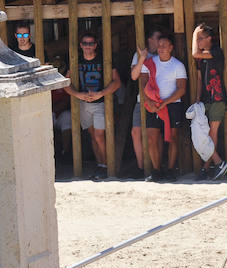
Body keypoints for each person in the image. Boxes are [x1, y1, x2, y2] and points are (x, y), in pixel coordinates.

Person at [63, 32, 122, 181]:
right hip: (83, 104)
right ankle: (100, 164)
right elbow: (65, 82)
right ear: (81, 45)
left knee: (99, 136)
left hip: (100, 103)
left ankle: (107, 166)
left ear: (95, 45)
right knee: (93, 137)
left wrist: (101, 93)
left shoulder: (105, 60)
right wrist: (77, 95)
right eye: (85, 43)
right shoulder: (75, 60)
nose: (88, 47)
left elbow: (117, 82)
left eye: (91, 43)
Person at [139, 34, 187, 181]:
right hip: (153, 105)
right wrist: (149, 101)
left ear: (171, 48)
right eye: (159, 46)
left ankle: (171, 170)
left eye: (164, 46)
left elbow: (181, 89)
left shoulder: (178, 65)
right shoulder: (149, 63)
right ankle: (156, 170)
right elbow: (142, 84)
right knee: (152, 138)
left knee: (172, 138)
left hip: (172, 105)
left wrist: (165, 102)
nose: (161, 48)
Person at [191, 23, 227, 180]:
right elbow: (200, 79)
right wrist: (197, 100)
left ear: (209, 39)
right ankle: (214, 164)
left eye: (201, 38)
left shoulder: (216, 52)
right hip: (205, 100)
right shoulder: (201, 58)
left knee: (211, 133)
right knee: (202, 133)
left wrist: (194, 34)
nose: (198, 42)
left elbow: (194, 53)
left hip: (218, 98)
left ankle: (210, 166)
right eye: (197, 39)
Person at [128, 26, 163, 178]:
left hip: (159, 100)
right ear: (150, 40)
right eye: (158, 38)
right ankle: (141, 167)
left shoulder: (164, 53)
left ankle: (157, 168)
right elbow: (134, 76)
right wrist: (142, 58)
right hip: (141, 99)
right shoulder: (140, 55)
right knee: (136, 132)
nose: (160, 41)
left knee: (157, 135)